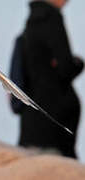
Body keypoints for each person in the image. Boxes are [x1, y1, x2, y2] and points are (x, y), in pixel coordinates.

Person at [18, 0, 83, 158]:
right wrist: (79, 63)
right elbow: (65, 67)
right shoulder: (52, 18)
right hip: (55, 124)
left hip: (32, 123)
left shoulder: (30, 24)